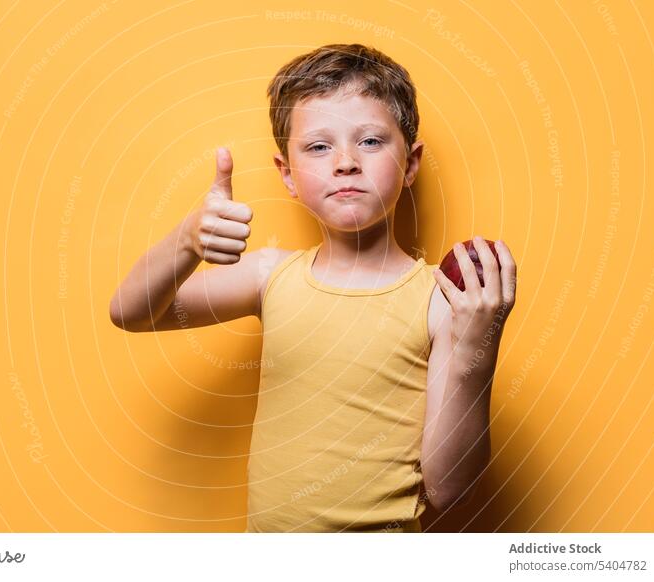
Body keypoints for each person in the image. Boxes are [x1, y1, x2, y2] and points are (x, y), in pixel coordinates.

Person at [109, 43, 517, 532]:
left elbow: (449, 487)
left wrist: (478, 345)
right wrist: (187, 239)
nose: (345, 162)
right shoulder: (270, 277)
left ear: (410, 164)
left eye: (370, 141)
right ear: (288, 175)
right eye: (319, 147)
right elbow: (131, 312)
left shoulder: (441, 300)